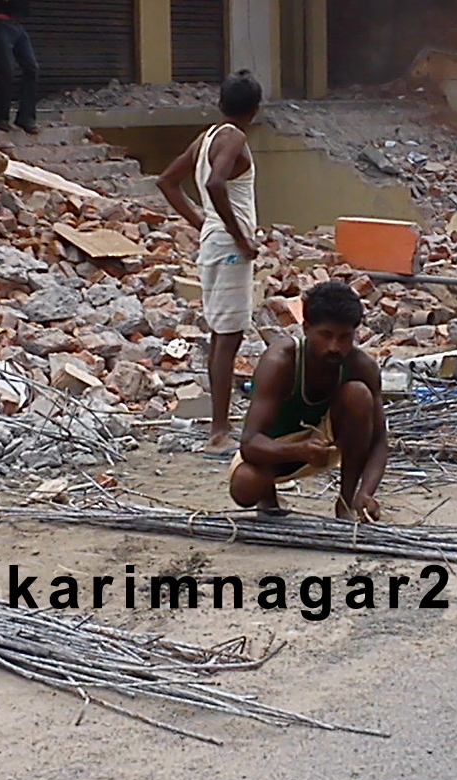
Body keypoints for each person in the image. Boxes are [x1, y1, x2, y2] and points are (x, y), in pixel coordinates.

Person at [155, 69, 263, 456]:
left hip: (214, 241)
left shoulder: (206, 138)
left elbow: (167, 182)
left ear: (220, 104)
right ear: (255, 110)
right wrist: (240, 236)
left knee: (221, 334)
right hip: (229, 246)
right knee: (228, 338)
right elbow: (216, 184)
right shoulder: (234, 138)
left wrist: (203, 223)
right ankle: (219, 432)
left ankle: (220, 426)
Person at [228, 281, 388, 522]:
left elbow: (379, 441)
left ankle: (346, 501)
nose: (334, 347)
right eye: (326, 335)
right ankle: (268, 498)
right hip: (276, 449)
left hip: (324, 444)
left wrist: (366, 492)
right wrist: (298, 450)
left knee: (358, 394)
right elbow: (249, 443)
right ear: (306, 328)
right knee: (245, 486)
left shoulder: (361, 366)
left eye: (344, 337)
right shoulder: (280, 361)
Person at [0, 0, 39, 134]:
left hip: (17, 24)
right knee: (7, 71)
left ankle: (26, 117)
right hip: (1, 23)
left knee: (31, 68)